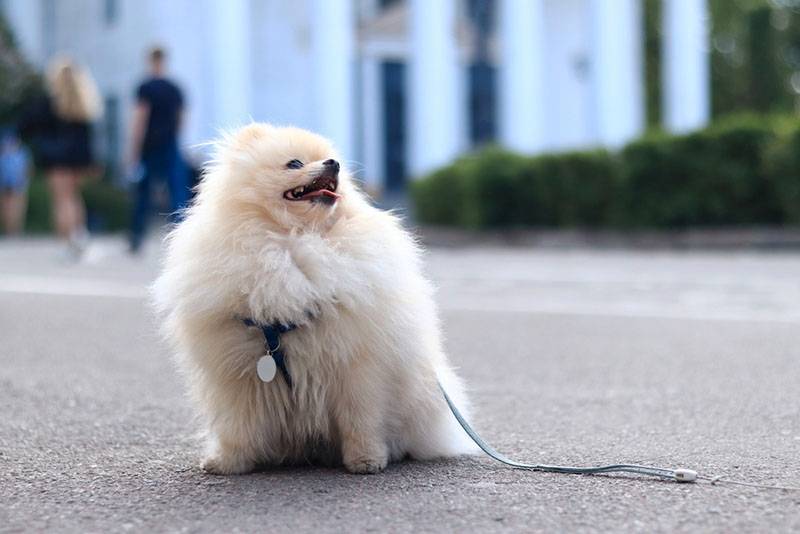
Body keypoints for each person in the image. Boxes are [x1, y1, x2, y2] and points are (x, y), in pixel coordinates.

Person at [19, 57, 102, 257]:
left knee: (61, 200)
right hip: (77, 160)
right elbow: (87, 138)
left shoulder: (48, 103)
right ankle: (79, 236)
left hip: (55, 159)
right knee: (74, 197)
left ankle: (67, 244)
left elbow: (26, 127)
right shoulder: (82, 102)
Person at [127, 46, 189, 254]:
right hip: (170, 144)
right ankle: (181, 239)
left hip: (150, 145)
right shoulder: (175, 88)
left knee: (143, 193)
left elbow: (140, 120)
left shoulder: (145, 87)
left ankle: (136, 237)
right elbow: (181, 119)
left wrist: (133, 149)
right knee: (177, 192)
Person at [0, 130, 30, 235]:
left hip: (10, 184)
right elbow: (27, 169)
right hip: (16, 183)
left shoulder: (4, 153)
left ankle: (11, 230)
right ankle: (14, 230)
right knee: (16, 207)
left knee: (8, 208)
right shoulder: (22, 153)